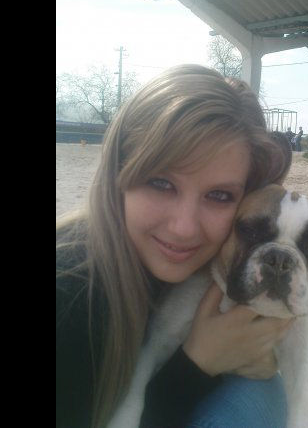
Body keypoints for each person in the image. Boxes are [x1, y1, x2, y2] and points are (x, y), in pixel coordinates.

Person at [56, 64, 294, 428]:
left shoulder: (212, 274)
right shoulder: (69, 296)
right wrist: (198, 363)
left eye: (219, 195)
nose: (184, 229)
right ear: (118, 173)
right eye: (161, 183)